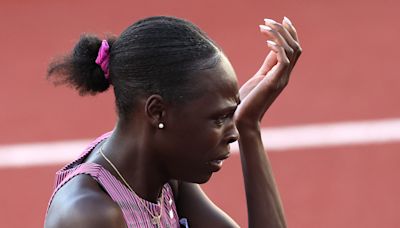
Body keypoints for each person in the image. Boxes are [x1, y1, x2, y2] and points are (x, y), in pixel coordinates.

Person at [44, 15, 302, 228]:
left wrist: (249, 126)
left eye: (230, 116)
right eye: (218, 119)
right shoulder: (90, 215)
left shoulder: (164, 173)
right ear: (157, 112)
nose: (231, 133)